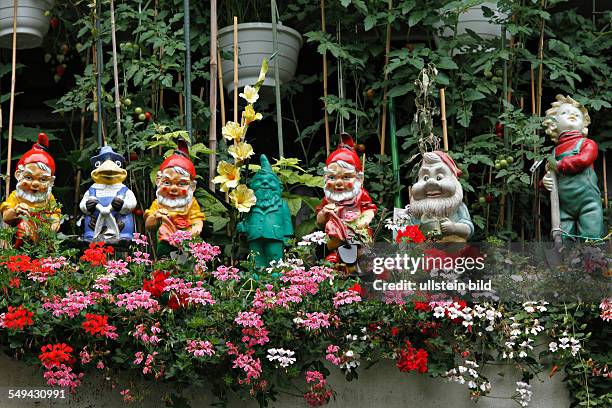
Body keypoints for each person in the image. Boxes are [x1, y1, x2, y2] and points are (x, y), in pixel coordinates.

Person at [541, 94, 604, 239]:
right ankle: (565, 261)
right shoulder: (554, 152)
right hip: (563, 207)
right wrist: (545, 182)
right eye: (564, 113)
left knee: (592, 238)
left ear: (584, 124)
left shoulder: (587, 144)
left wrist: (559, 165)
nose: (571, 115)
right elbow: (551, 176)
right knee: (563, 239)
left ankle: (593, 261)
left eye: (576, 114)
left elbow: (583, 159)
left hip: (589, 204)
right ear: (553, 123)